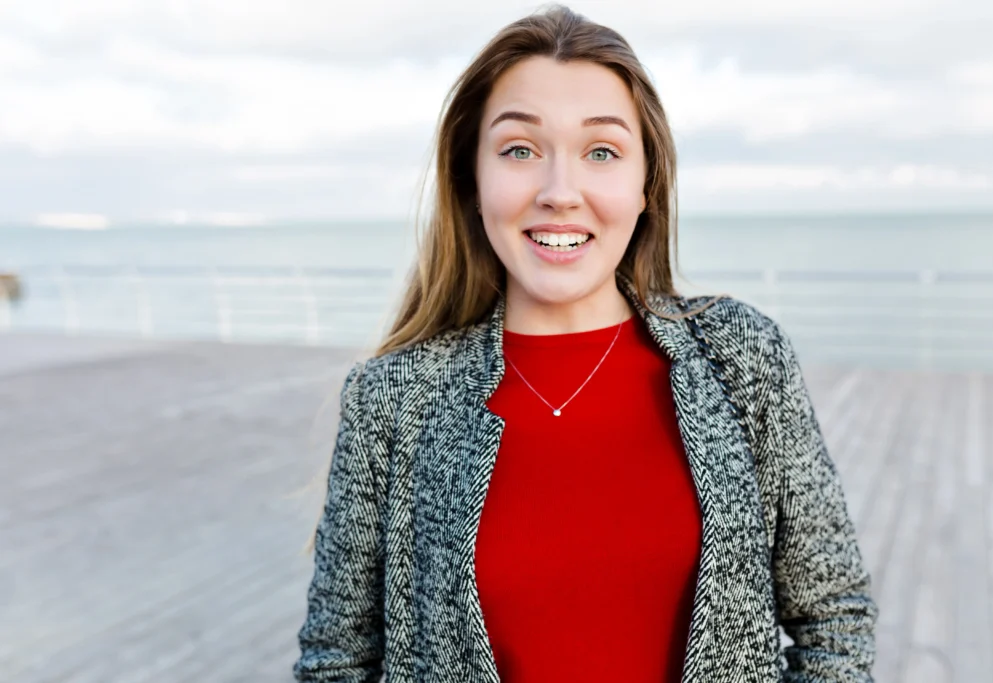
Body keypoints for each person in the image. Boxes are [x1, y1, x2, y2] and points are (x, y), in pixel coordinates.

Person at [293, 5, 878, 682]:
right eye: (519, 150)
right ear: (471, 181)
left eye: (601, 151)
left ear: (646, 185)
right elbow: (337, 660)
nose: (559, 193)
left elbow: (833, 618)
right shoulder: (392, 400)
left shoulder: (744, 359)